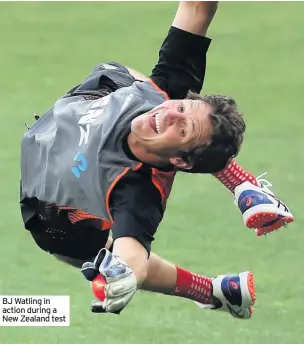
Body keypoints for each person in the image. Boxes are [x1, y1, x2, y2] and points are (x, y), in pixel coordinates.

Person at [20, 1, 293, 319]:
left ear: (180, 159)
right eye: (180, 109)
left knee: (79, 252)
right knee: (142, 81)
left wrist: (124, 275)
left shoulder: (136, 192)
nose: (166, 116)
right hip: (88, 102)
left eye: (183, 128)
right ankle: (241, 183)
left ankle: (214, 290)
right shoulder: (165, 95)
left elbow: (132, 252)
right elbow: (196, 8)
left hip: (50, 200)